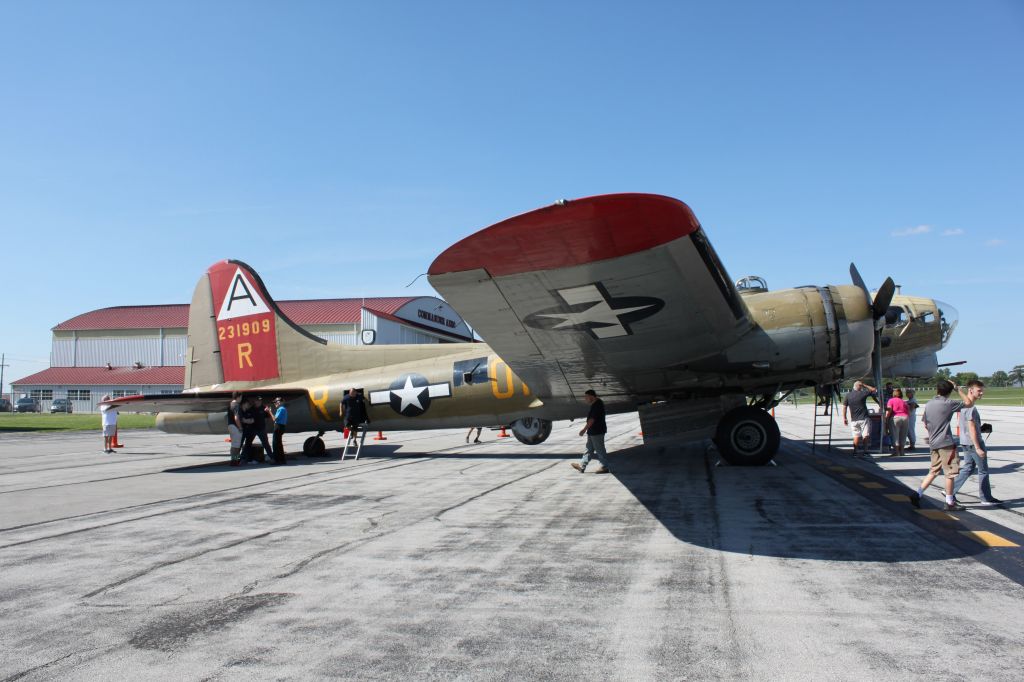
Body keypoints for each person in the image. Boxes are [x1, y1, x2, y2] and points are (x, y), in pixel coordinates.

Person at [909, 379, 970, 511]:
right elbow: (968, 403)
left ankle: (918, 493)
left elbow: (925, 423)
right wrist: (958, 389)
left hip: (933, 442)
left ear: (937, 390)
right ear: (949, 391)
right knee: (950, 473)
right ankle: (949, 501)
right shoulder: (949, 403)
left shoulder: (930, 403)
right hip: (946, 442)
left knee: (933, 471)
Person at [952, 380, 1001, 505]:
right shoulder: (971, 408)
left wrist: (981, 429)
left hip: (965, 441)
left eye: (982, 390)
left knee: (968, 467)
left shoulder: (964, 405)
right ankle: (986, 498)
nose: (981, 393)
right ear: (970, 390)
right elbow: (972, 428)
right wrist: (978, 447)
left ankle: (950, 491)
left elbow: (970, 427)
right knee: (983, 470)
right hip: (973, 443)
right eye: (979, 390)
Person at [572, 389, 610, 474]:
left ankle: (604, 467)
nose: (585, 399)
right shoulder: (595, 404)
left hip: (597, 431)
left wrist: (584, 429)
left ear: (592, 396)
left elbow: (592, 419)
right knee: (588, 449)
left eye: (586, 397)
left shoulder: (597, 405)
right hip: (592, 431)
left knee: (600, 449)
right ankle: (582, 466)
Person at [842, 381, 877, 455]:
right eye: (860, 386)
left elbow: (844, 407)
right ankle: (865, 451)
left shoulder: (848, 395)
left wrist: (844, 418)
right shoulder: (862, 393)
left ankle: (855, 451)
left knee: (856, 436)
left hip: (854, 419)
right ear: (859, 386)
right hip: (864, 418)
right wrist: (864, 384)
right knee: (865, 435)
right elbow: (874, 390)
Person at [239, 397, 273, 464]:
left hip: (261, 429)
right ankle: (242, 458)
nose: (258, 402)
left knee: (266, 444)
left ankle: (271, 457)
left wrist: (268, 411)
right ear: (254, 401)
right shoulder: (251, 409)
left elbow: (268, 416)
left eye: (259, 400)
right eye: (257, 400)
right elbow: (246, 417)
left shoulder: (264, 408)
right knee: (248, 444)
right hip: (252, 429)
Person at [884, 387, 910, 457]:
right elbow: (908, 412)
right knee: (903, 435)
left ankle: (896, 452)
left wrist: (886, 419)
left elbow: (889, 410)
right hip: (905, 418)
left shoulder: (891, 400)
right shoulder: (904, 402)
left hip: (895, 417)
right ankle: (902, 452)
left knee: (895, 435)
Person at [271, 397, 288, 464]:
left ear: (280, 402)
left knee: (275, 444)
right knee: (279, 444)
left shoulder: (281, 409)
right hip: (281, 427)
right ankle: (282, 459)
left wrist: (269, 411)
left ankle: (277, 460)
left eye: (276, 402)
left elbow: (275, 419)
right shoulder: (283, 409)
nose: (275, 404)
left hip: (278, 427)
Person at [227, 392, 242, 466]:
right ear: (238, 397)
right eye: (241, 397)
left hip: (230, 425)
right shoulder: (236, 405)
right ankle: (234, 460)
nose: (241, 399)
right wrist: (240, 427)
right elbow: (236, 417)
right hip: (235, 426)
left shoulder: (230, 404)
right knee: (236, 445)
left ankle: (233, 459)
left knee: (233, 445)